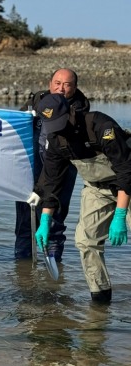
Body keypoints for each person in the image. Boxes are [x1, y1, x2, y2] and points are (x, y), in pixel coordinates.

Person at [34, 94, 131, 303]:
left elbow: (126, 171)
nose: (59, 129)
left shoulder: (100, 125)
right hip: (96, 188)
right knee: (85, 241)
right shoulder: (55, 140)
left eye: (61, 122)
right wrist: (45, 221)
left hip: (127, 183)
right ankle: (100, 301)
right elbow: (52, 184)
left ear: (70, 111)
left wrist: (121, 215)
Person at [15, 68, 90, 262]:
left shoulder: (80, 109)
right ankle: (23, 267)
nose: (61, 88)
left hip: (62, 168)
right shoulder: (38, 99)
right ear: (50, 84)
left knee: (54, 217)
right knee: (26, 218)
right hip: (32, 166)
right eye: (57, 83)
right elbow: (16, 123)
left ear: (75, 87)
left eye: (67, 84)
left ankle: (54, 261)